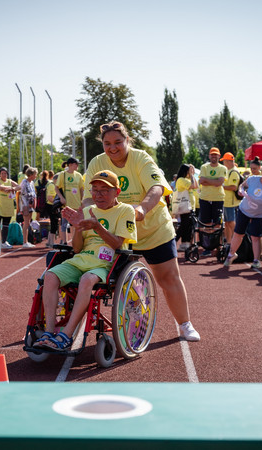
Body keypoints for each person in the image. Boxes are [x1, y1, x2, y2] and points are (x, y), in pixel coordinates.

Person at [74, 121, 199, 341]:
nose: (113, 148)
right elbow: (87, 198)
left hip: (153, 228)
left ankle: (185, 324)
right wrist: (85, 216)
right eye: (107, 143)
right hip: (116, 234)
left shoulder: (141, 158)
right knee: (108, 279)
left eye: (118, 142)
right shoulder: (97, 162)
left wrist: (141, 208)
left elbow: (156, 188)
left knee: (168, 278)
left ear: (127, 141)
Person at [35, 170, 137, 350]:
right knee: (50, 276)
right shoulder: (89, 210)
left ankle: (66, 335)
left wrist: (97, 226)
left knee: (87, 279)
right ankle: (49, 332)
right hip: (82, 259)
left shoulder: (125, 211)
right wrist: (78, 228)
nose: (98, 195)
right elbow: (76, 249)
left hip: (106, 265)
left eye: (104, 190)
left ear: (117, 192)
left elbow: (117, 244)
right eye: (95, 190)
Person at [56, 157, 84, 245]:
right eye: (76, 164)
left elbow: (81, 189)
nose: (77, 166)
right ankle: (64, 242)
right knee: (64, 224)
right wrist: (61, 197)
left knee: (76, 225)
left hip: (77, 204)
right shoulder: (62, 174)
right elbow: (56, 187)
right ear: (71, 165)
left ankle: (74, 242)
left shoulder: (78, 175)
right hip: (66, 204)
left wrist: (82, 200)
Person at [197, 147, 226, 232]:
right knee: (206, 223)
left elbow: (220, 182)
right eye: (212, 154)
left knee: (217, 223)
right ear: (209, 156)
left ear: (219, 156)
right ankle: (208, 242)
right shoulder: (204, 167)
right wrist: (215, 182)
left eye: (216, 155)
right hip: (204, 198)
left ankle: (216, 242)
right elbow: (201, 181)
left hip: (218, 198)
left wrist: (207, 180)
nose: (214, 156)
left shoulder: (222, 168)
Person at [173, 164, 198, 251]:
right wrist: (191, 175)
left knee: (188, 226)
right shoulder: (181, 180)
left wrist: (192, 175)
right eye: (189, 171)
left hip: (189, 206)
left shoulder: (186, 179)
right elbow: (193, 186)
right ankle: (173, 241)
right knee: (184, 225)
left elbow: (196, 185)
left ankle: (185, 244)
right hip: (185, 206)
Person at [0, 166, 19, 249]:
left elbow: (19, 187)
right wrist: (11, 188)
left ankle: (4, 241)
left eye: (5, 173)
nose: (3, 175)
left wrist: (12, 188)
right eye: (2, 173)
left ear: (7, 174)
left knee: (6, 225)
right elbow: (0, 187)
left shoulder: (10, 181)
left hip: (8, 206)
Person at [221, 152, 241, 242]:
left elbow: (234, 187)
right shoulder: (229, 171)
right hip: (227, 201)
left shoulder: (233, 172)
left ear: (228, 161)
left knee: (231, 222)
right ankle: (229, 241)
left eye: (224, 161)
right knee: (228, 223)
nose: (223, 163)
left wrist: (220, 186)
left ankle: (234, 240)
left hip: (231, 203)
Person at [19, 167, 38, 248]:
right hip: (25, 205)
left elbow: (33, 192)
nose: (36, 176)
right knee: (26, 222)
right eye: (35, 174)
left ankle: (26, 241)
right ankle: (24, 242)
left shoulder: (32, 183)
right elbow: (21, 192)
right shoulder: (24, 182)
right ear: (30, 175)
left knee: (28, 222)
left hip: (31, 205)